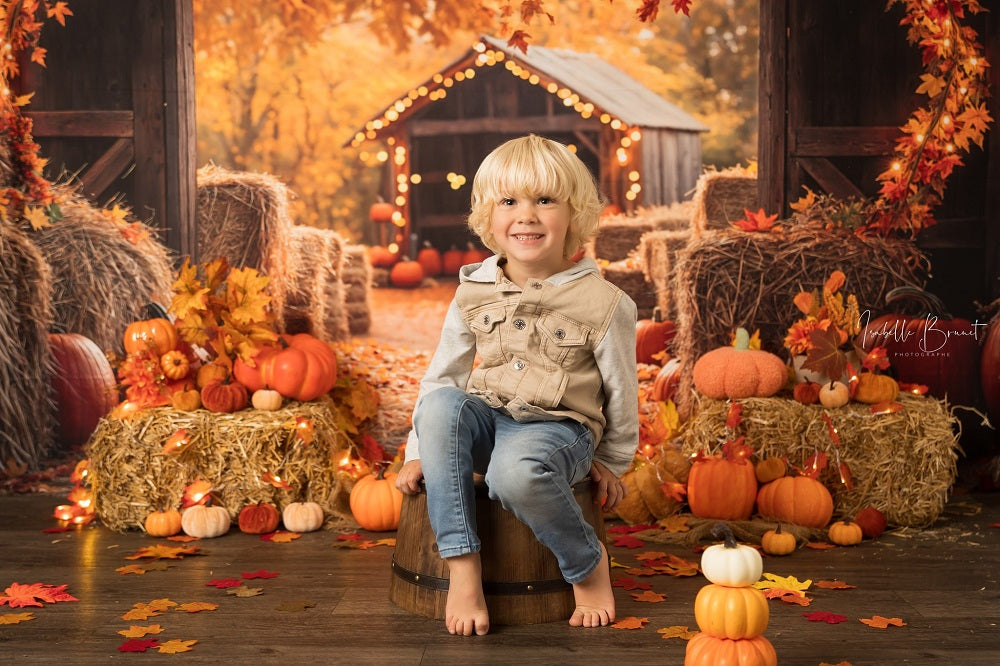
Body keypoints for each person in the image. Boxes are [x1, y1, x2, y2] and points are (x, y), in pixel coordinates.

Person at [395, 134, 639, 636]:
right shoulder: (473, 290)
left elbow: (621, 391)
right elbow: (444, 373)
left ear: (575, 214)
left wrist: (612, 462)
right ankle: (464, 568)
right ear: (489, 216)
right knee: (442, 404)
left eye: (545, 200)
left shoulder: (605, 303)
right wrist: (418, 450)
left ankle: (587, 565)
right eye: (509, 201)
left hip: (557, 429)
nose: (526, 216)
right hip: (490, 418)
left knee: (514, 475)